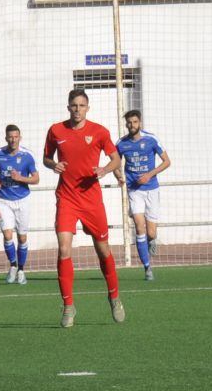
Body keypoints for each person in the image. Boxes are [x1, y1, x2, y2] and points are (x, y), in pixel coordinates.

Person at [43, 89, 124, 328]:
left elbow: (116, 158)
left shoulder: (99, 132)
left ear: (88, 108)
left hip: (91, 201)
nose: (77, 109)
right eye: (73, 105)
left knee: (103, 250)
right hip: (67, 198)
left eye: (81, 105)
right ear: (68, 107)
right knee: (64, 249)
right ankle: (68, 306)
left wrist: (104, 170)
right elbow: (46, 158)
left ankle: (114, 297)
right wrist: (53, 165)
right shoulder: (56, 130)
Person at [114, 110, 171, 281]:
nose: (132, 125)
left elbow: (167, 161)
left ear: (140, 123)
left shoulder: (151, 139)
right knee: (139, 227)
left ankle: (152, 240)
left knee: (151, 232)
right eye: (129, 123)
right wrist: (119, 175)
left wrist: (150, 174)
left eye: (135, 122)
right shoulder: (121, 143)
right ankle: (147, 268)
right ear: (126, 125)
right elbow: (115, 162)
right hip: (134, 190)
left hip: (152, 188)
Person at [0, 125, 39, 285]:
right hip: (3, 200)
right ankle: (13, 266)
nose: (13, 140)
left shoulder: (27, 155)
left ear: (20, 137)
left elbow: (36, 179)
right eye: (10, 137)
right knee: (7, 235)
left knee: (22, 237)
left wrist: (21, 178)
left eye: (16, 137)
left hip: (22, 200)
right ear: (6, 138)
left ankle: (22, 270)